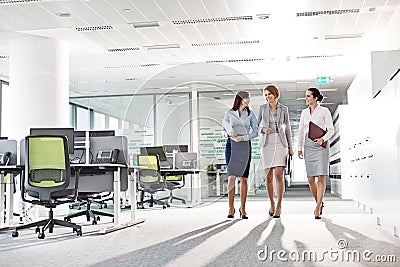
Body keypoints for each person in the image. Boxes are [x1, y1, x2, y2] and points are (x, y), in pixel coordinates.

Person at [257, 84, 293, 219]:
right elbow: (255, 126)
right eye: (265, 95)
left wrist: (290, 146)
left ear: (275, 94)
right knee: (269, 177)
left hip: (280, 141)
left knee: (279, 174)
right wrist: (262, 130)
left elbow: (288, 128)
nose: (267, 97)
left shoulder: (284, 109)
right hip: (267, 143)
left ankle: (279, 205)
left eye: (269, 94)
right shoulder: (262, 108)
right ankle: (271, 204)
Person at [297, 88, 334, 219]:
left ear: (315, 98)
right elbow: (301, 131)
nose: (306, 98)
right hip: (308, 145)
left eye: (308, 96)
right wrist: (299, 148)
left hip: (321, 145)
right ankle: (319, 202)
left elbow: (331, 130)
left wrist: (323, 139)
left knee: (321, 177)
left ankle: (318, 206)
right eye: (305, 96)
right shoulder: (304, 113)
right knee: (311, 179)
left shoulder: (324, 111)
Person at [223, 91, 259, 219]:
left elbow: (256, 132)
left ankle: (243, 208)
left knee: (244, 178)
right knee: (231, 177)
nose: (248, 100)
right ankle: (230, 208)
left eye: (249, 97)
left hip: (244, 146)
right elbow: (223, 130)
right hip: (231, 146)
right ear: (240, 99)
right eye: (246, 98)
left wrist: (243, 137)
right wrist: (229, 134)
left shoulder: (250, 114)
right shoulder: (229, 113)